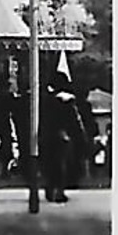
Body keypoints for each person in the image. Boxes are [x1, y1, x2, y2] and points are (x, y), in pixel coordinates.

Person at [40, 73, 86, 204]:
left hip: (48, 135)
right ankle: (59, 190)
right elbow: (74, 121)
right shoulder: (67, 101)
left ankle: (50, 188)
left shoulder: (47, 100)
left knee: (50, 164)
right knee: (61, 164)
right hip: (63, 135)